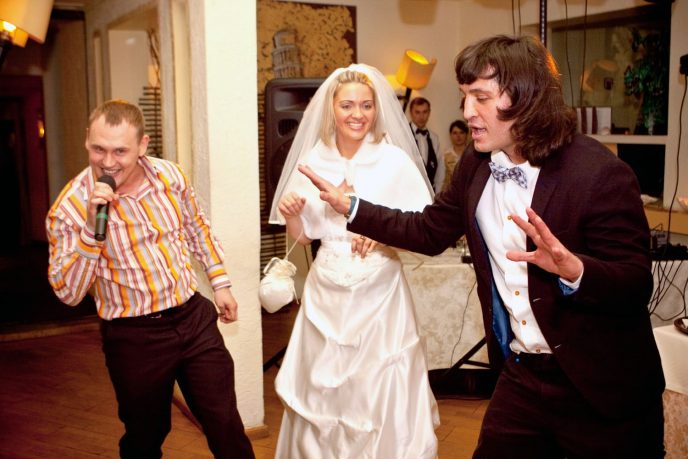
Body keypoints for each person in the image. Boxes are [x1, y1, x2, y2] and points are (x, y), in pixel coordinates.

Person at [298, 35, 665, 458]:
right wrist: (352, 207)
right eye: (464, 97)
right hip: (522, 375)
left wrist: (575, 270)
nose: (467, 111)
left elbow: (635, 283)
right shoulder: (476, 165)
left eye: (481, 97)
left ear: (525, 98)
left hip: (600, 387)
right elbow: (428, 231)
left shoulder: (599, 173)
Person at [46, 100, 255, 459]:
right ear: (87, 140)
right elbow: (68, 293)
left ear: (142, 145)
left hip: (193, 318)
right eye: (98, 149)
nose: (108, 162)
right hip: (133, 336)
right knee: (145, 435)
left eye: (120, 151)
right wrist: (91, 229)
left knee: (224, 423)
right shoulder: (68, 209)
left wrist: (219, 283)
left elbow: (196, 228)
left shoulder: (170, 176)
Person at [269, 64, 439, 458]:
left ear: (377, 110)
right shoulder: (314, 159)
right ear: (331, 108)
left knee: (378, 387)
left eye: (366, 105)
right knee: (324, 392)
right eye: (347, 105)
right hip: (326, 292)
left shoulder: (394, 161)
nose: (357, 114)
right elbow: (304, 236)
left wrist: (382, 234)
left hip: (379, 294)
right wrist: (292, 213)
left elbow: (421, 229)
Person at [409, 96, 444, 193]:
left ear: (429, 112)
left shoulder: (434, 137)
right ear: (411, 113)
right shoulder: (402, 135)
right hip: (408, 192)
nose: (421, 117)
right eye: (417, 112)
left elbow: (440, 168)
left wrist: (437, 193)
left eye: (425, 112)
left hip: (430, 193)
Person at [442, 119, 469, 192]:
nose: (458, 136)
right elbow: (441, 179)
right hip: (451, 193)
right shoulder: (445, 155)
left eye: (461, 132)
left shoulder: (473, 154)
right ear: (450, 135)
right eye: (455, 133)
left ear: (466, 134)